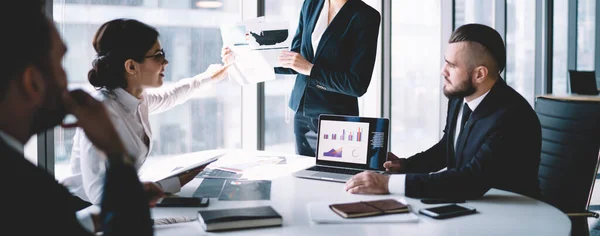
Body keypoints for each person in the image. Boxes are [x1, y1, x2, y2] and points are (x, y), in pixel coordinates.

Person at [1, 2, 153, 235]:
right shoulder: (27, 191)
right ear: (32, 82)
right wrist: (117, 156)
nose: (66, 79)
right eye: (60, 64)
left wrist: (101, 214)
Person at [344, 24, 542, 200]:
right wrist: (406, 166)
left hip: (511, 218)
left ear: (480, 74)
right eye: (445, 61)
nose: (442, 71)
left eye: (452, 65)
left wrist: (387, 185)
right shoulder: (460, 96)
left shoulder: (512, 118)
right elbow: (447, 148)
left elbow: (472, 179)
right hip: (472, 207)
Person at [62, 18, 229, 205]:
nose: (165, 61)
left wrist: (209, 77)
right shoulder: (102, 111)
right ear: (131, 66)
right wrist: (175, 182)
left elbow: (171, 96)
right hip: (85, 212)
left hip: (120, 206)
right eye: (158, 55)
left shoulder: (137, 99)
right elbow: (99, 194)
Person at [222, 0, 381, 156]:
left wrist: (311, 69)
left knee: (336, 178)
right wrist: (242, 57)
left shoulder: (366, 16)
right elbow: (295, 60)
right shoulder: (311, 3)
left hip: (336, 118)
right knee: (304, 176)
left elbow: (357, 85)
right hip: (302, 116)